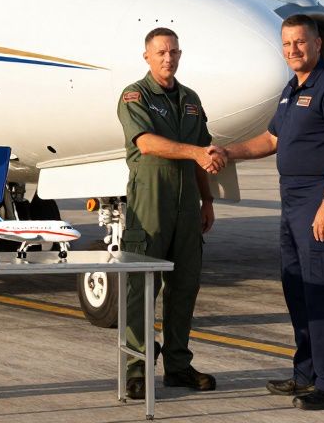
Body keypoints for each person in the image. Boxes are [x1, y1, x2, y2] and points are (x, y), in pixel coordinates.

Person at [210, 14, 324, 411]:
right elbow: (272, 138)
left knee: (323, 291)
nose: (293, 50)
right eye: (287, 44)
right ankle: (306, 374)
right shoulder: (291, 89)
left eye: (301, 43)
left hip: (318, 199)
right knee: (298, 290)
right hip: (290, 199)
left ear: (317, 44)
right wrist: (229, 152)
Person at [117, 27, 222, 400]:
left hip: (187, 208)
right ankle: (136, 367)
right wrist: (194, 152)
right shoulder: (135, 96)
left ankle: (178, 365)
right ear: (147, 56)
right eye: (161, 52)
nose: (168, 58)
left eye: (174, 52)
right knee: (141, 289)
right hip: (150, 207)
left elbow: (203, 153)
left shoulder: (190, 100)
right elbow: (146, 143)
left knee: (185, 288)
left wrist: (207, 200)